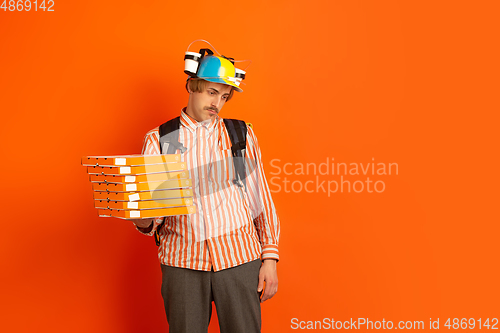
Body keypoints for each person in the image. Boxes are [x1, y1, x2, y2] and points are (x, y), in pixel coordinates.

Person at [131, 48, 280, 333]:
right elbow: (153, 218)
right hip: (182, 264)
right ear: (191, 87)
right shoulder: (160, 140)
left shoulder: (241, 134)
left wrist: (270, 258)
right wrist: (141, 219)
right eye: (212, 92)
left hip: (239, 260)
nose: (217, 103)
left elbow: (261, 200)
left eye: (224, 97)